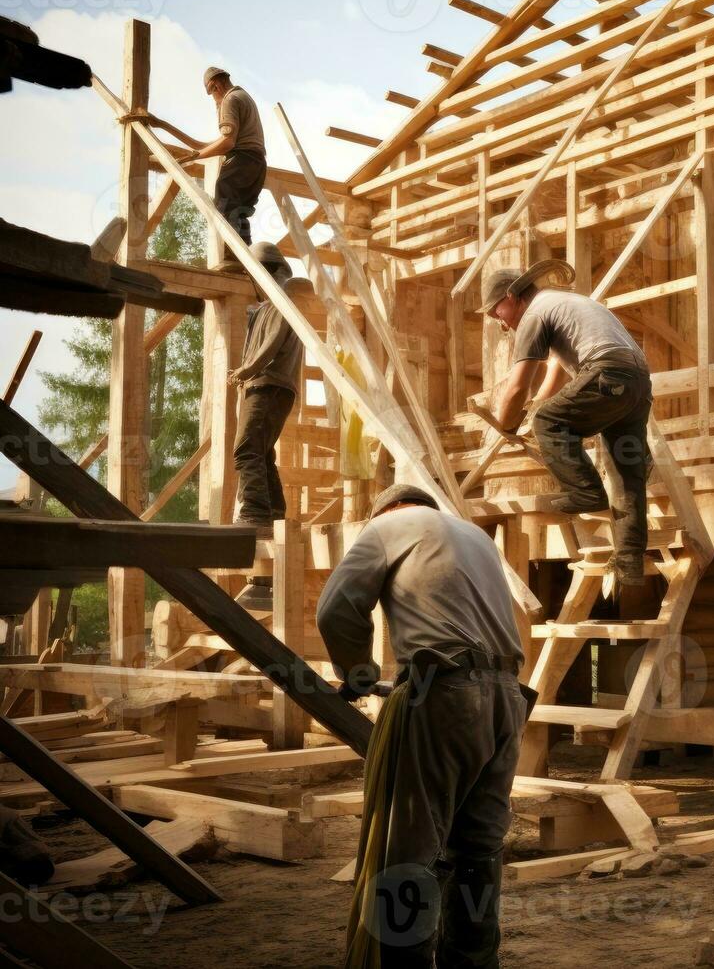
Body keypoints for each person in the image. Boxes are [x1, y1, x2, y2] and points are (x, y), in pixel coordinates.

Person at [317, 484, 526, 968]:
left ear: (388, 510)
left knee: (409, 851)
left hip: (445, 695)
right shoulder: (476, 536)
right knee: (479, 848)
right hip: (507, 698)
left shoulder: (387, 526)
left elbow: (336, 609)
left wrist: (359, 675)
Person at [480, 260, 653, 587]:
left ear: (511, 296)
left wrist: (505, 423)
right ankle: (630, 562)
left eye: (496, 314)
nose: (501, 325)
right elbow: (557, 374)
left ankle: (586, 492)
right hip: (637, 383)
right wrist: (534, 409)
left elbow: (519, 386)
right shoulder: (567, 304)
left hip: (606, 373)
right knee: (626, 471)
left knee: (549, 421)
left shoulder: (534, 313)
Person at [144, 66, 267, 250]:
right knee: (238, 212)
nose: (214, 101)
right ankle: (245, 256)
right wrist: (162, 125)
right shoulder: (243, 97)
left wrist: (195, 157)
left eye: (211, 94)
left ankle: (233, 256)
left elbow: (227, 143)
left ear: (214, 86)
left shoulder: (229, 100)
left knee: (224, 206)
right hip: (257, 165)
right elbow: (203, 145)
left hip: (241, 161)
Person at [230, 241, 304, 530]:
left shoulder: (280, 299)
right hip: (271, 386)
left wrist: (247, 369)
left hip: (267, 385)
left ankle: (255, 514)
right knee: (261, 453)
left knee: (246, 449)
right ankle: (273, 513)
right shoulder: (270, 305)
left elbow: (272, 343)